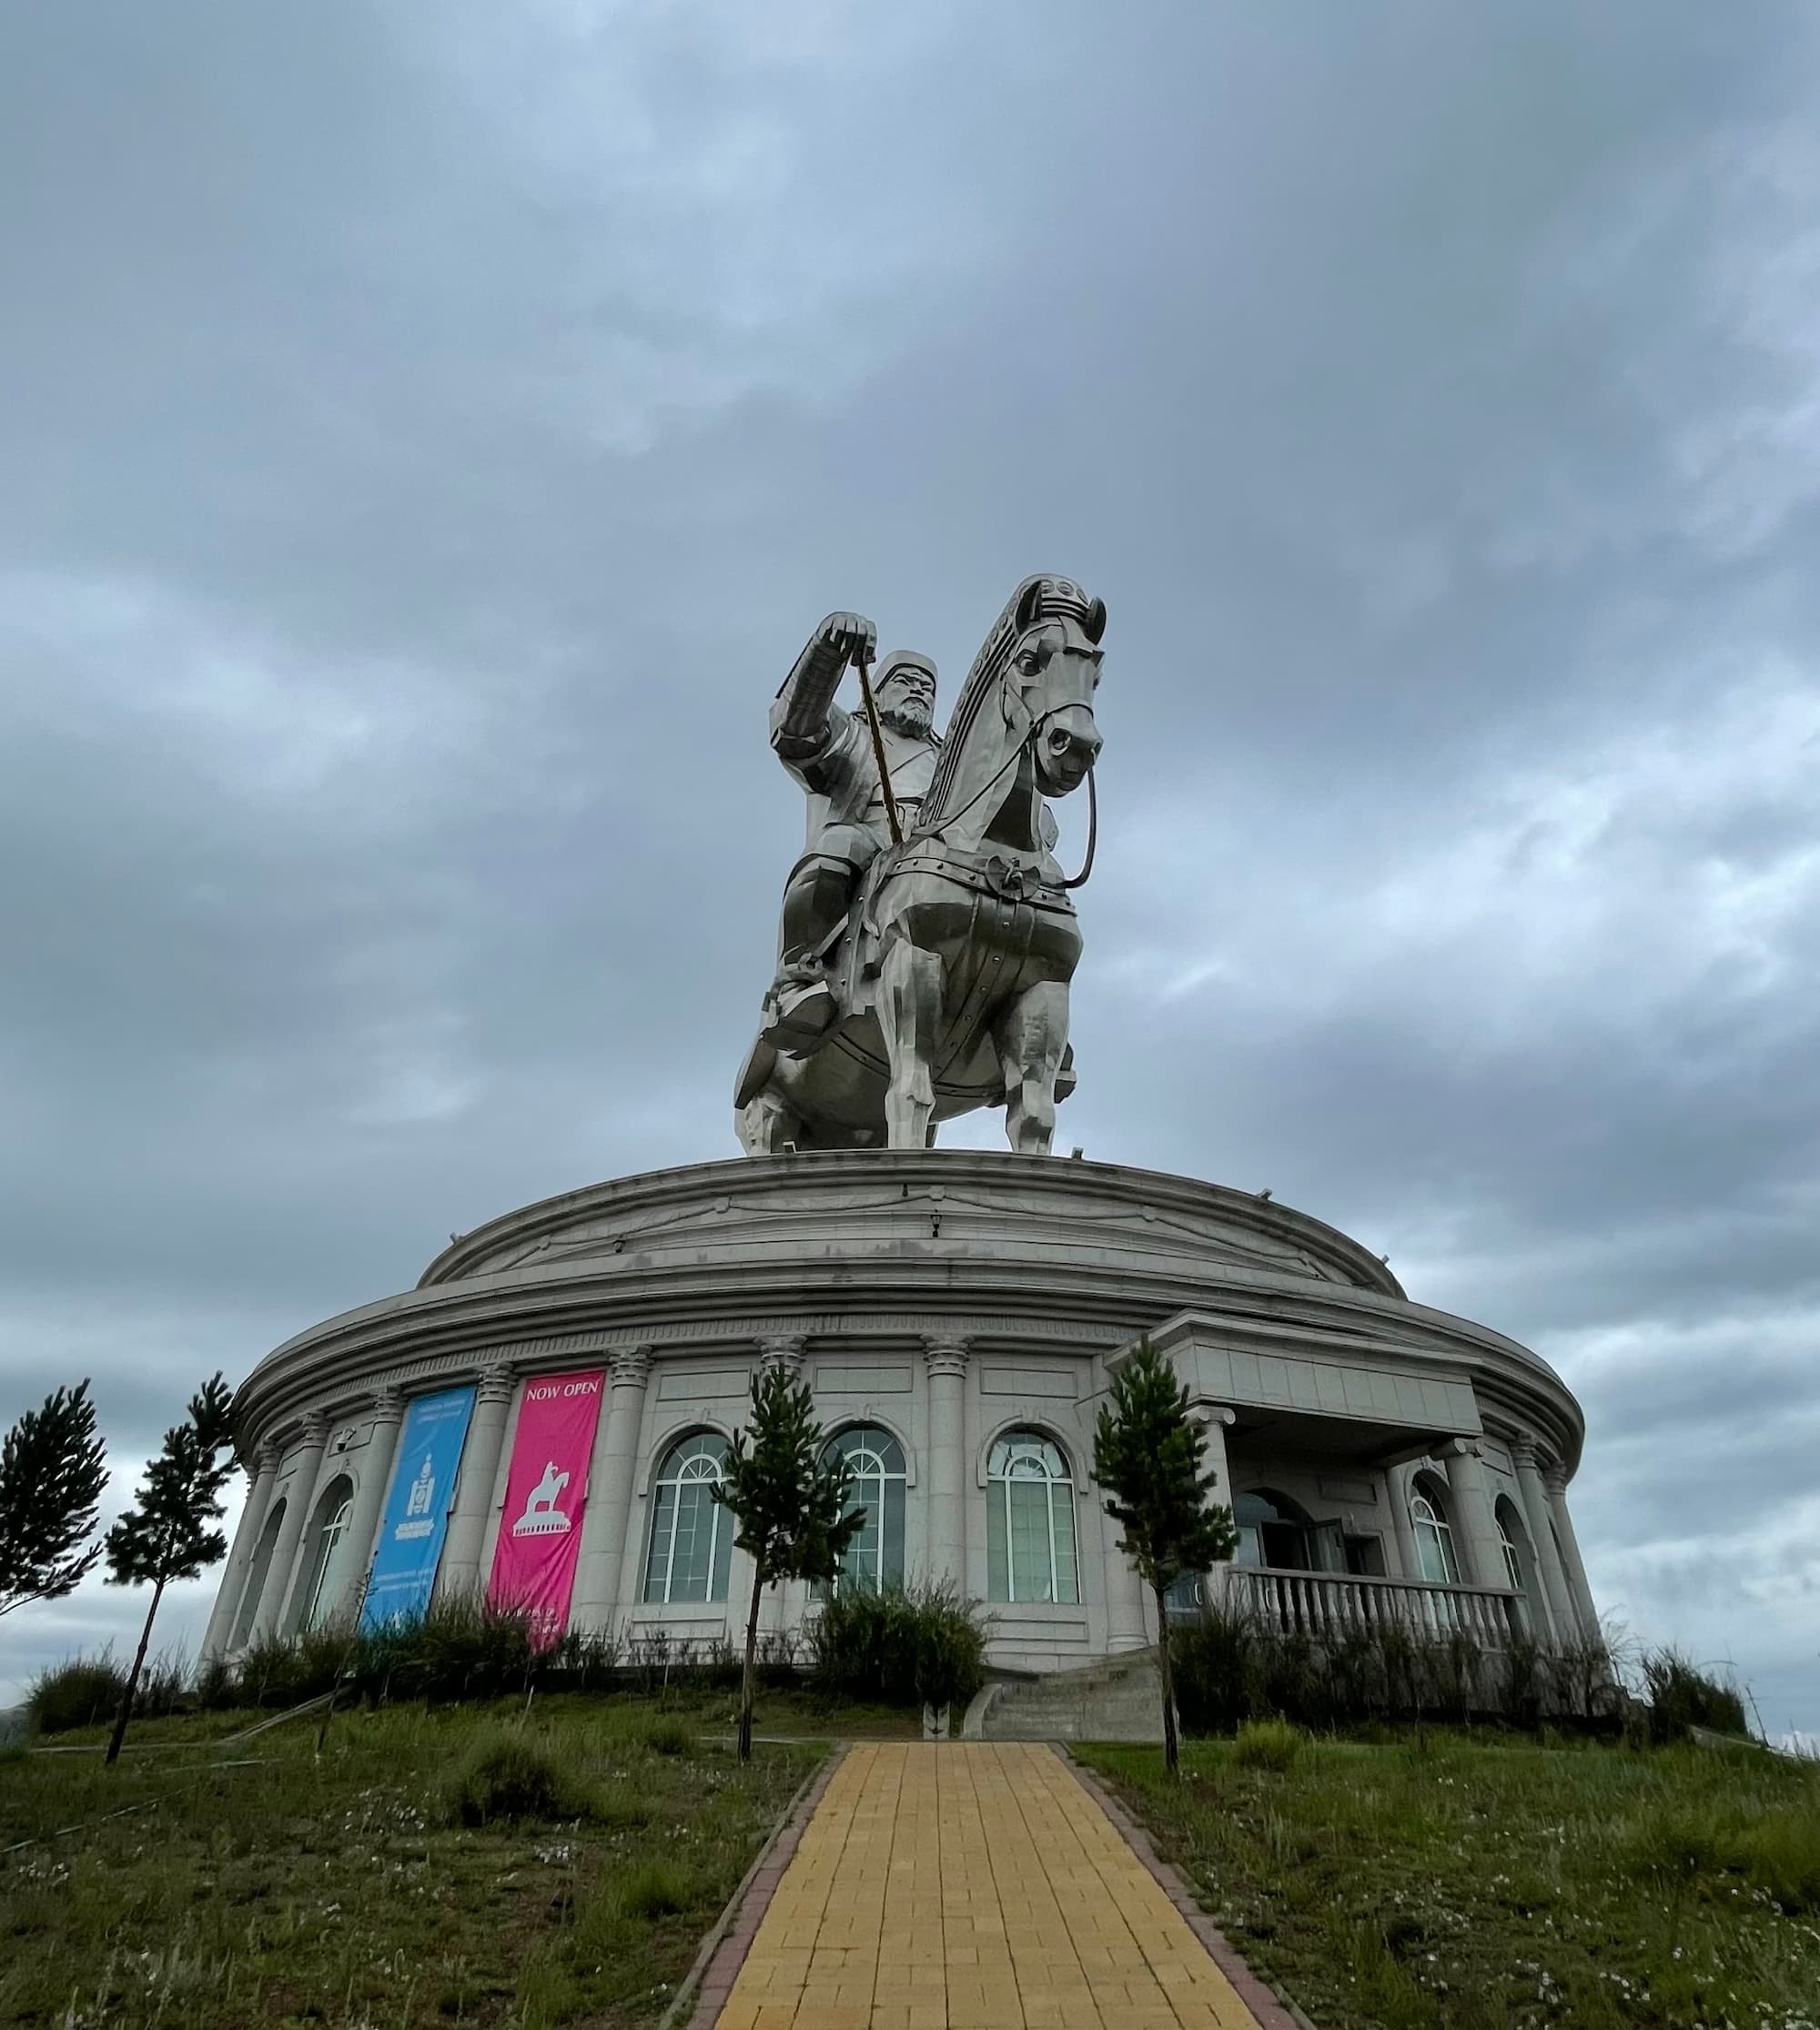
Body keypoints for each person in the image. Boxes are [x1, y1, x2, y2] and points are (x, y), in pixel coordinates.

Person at [762, 611, 940, 1051]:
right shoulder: (857, 734)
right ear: (876, 695)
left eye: (928, 686)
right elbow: (795, 731)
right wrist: (826, 654)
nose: (919, 689)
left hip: (943, 848)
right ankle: (800, 979)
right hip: (873, 837)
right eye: (905, 680)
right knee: (835, 849)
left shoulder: (950, 756)